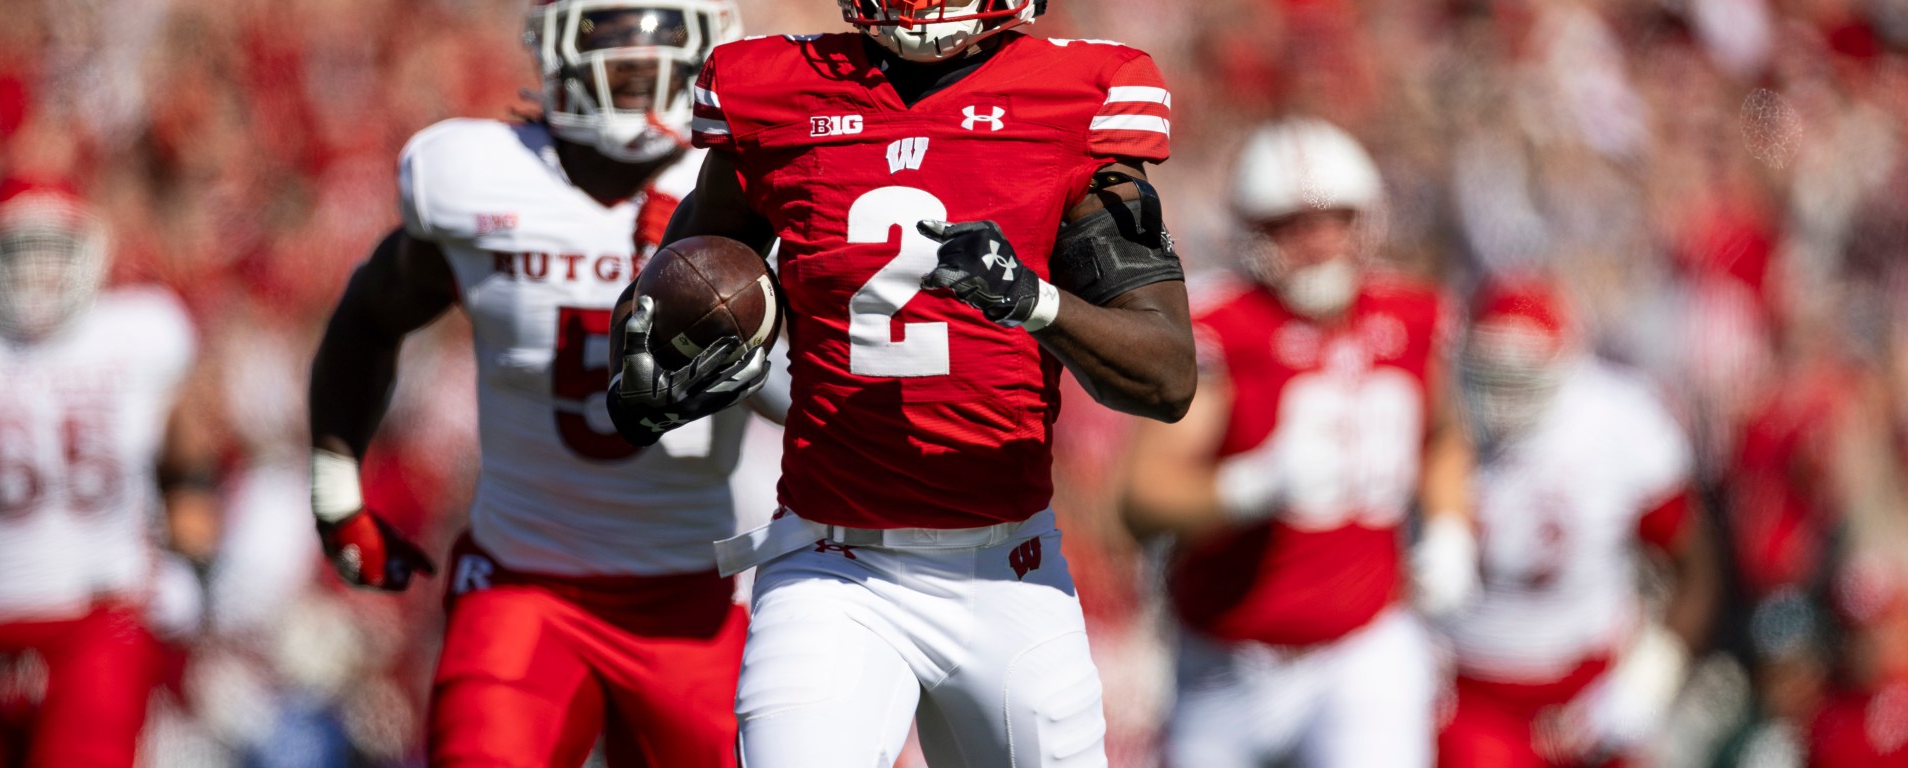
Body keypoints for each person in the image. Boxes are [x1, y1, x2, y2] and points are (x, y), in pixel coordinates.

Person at [606, 1, 1198, 764]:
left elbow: (1166, 377)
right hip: (831, 563)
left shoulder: (1075, 94)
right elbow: (661, 303)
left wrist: (1034, 300)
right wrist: (648, 383)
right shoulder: (777, 92)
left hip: (1007, 567)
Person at [305, 2, 777, 765]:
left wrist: (715, 261)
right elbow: (368, 314)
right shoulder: (479, 177)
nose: (634, 54)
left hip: (691, 597)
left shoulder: (748, 190)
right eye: (610, 31)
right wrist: (336, 490)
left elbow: (798, 391)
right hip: (524, 589)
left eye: (656, 30)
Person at [1119, 116, 1476, 768]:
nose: (1316, 243)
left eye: (1332, 221)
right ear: (1253, 233)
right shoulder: (1224, 330)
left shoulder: (1410, 314)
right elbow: (1145, 499)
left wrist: (1450, 525)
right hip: (1228, 658)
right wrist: (1252, 485)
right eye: (1291, 226)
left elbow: (1442, 435)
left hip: (1362, 646)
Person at [1437, 276, 1719, 768]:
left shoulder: (1618, 421)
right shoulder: (1434, 415)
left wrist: (1647, 681)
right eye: (1490, 379)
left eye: (1519, 380)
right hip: (1468, 692)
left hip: (1590, 682)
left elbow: (1694, 570)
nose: (1502, 400)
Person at [0, 177, 216, 767]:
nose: (36, 274)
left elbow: (188, 461)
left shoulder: (137, 333)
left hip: (97, 617)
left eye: (51, 252)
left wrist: (190, 566)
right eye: (19, 253)